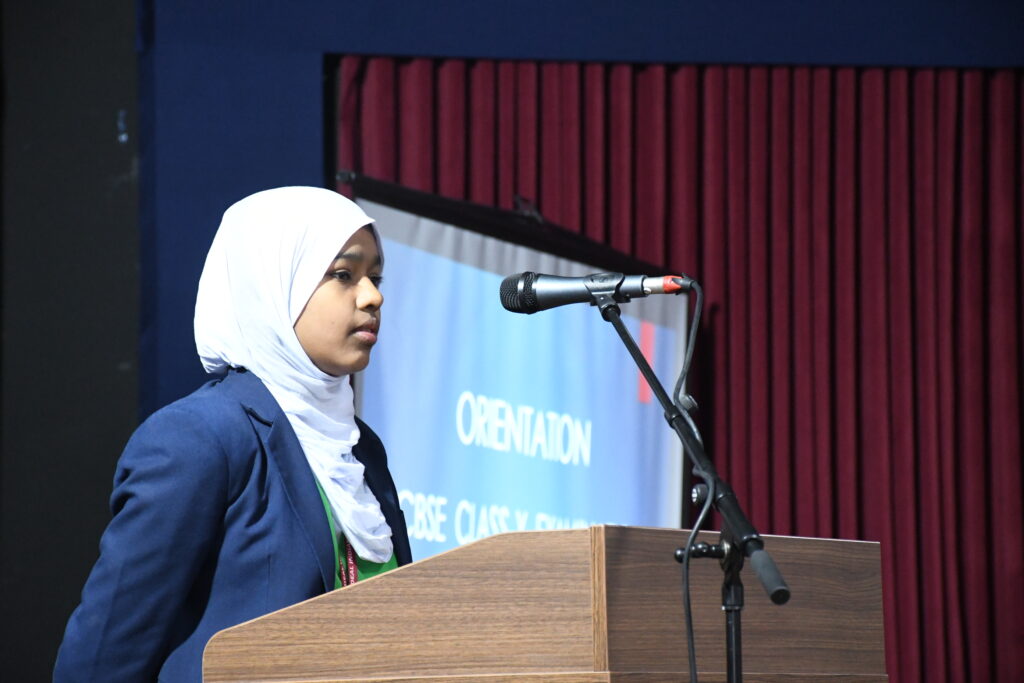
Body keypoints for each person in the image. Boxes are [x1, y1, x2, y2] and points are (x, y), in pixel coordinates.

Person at [53, 187, 412, 682]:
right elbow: (103, 657)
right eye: (343, 275)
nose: (373, 296)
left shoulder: (362, 450)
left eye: (375, 277)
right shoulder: (200, 437)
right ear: (274, 285)